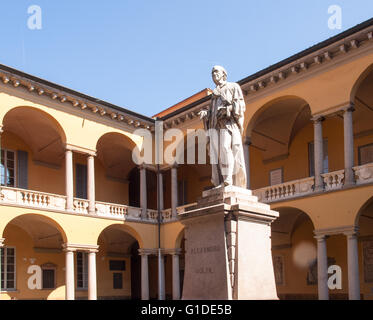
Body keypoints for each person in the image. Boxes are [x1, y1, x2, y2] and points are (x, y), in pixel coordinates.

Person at [199, 65, 247, 188]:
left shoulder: (233, 87)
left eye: (216, 71)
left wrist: (228, 109)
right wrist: (207, 114)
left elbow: (241, 104)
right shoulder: (214, 94)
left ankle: (228, 180)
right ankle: (222, 180)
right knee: (218, 155)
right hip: (215, 126)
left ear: (223, 74)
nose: (214, 74)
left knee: (226, 148)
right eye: (212, 73)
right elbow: (213, 111)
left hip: (227, 124)